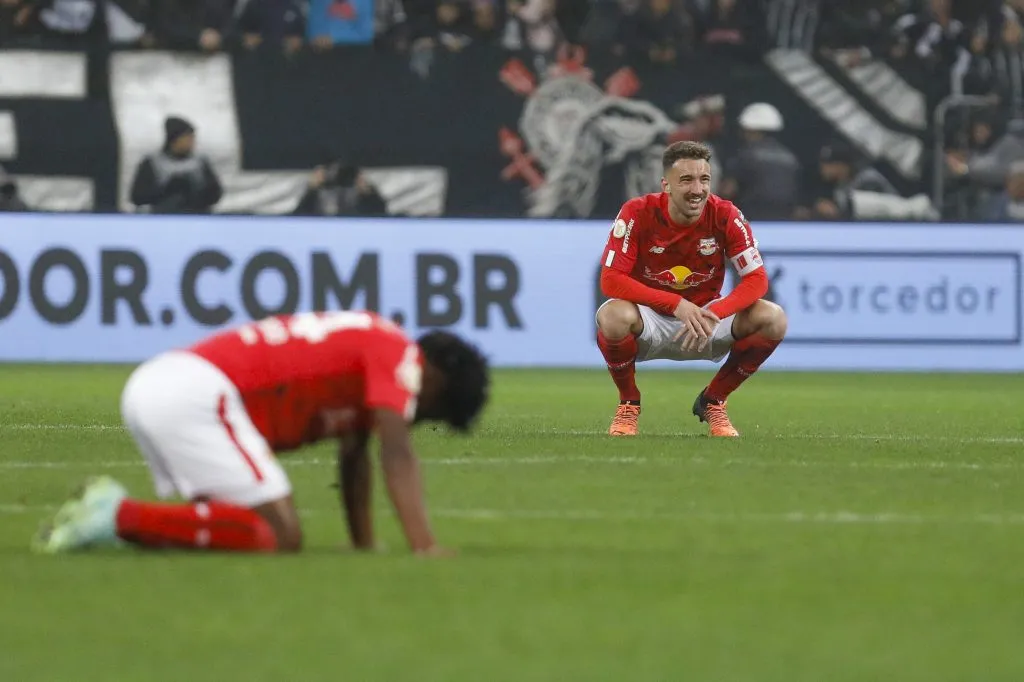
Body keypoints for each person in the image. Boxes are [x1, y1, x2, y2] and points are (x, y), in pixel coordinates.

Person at [33, 310, 489, 556]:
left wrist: (363, 544)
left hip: (171, 384)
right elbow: (396, 451)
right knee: (279, 535)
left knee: (235, 530)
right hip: (195, 395)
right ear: (435, 378)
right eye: (433, 413)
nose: (416, 420)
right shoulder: (400, 355)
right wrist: (424, 546)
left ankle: (121, 526)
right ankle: (117, 515)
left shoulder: (373, 350)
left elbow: (356, 455)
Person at [595, 140, 787, 438]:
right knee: (611, 316)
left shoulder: (725, 215)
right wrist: (675, 304)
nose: (698, 189)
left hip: (705, 319)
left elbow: (757, 280)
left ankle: (714, 400)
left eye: (704, 179)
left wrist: (716, 312)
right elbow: (611, 279)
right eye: (686, 180)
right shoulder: (638, 212)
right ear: (666, 185)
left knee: (774, 318)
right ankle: (628, 403)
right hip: (652, 320)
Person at [129, 116, 223, 214]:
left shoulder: (200, 162)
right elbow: (137, 197)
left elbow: (215, 194)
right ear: (175, 139)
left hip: (196, 215)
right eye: (188, 138)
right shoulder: (152, 162)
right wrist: (167, 191)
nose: (192, 142)